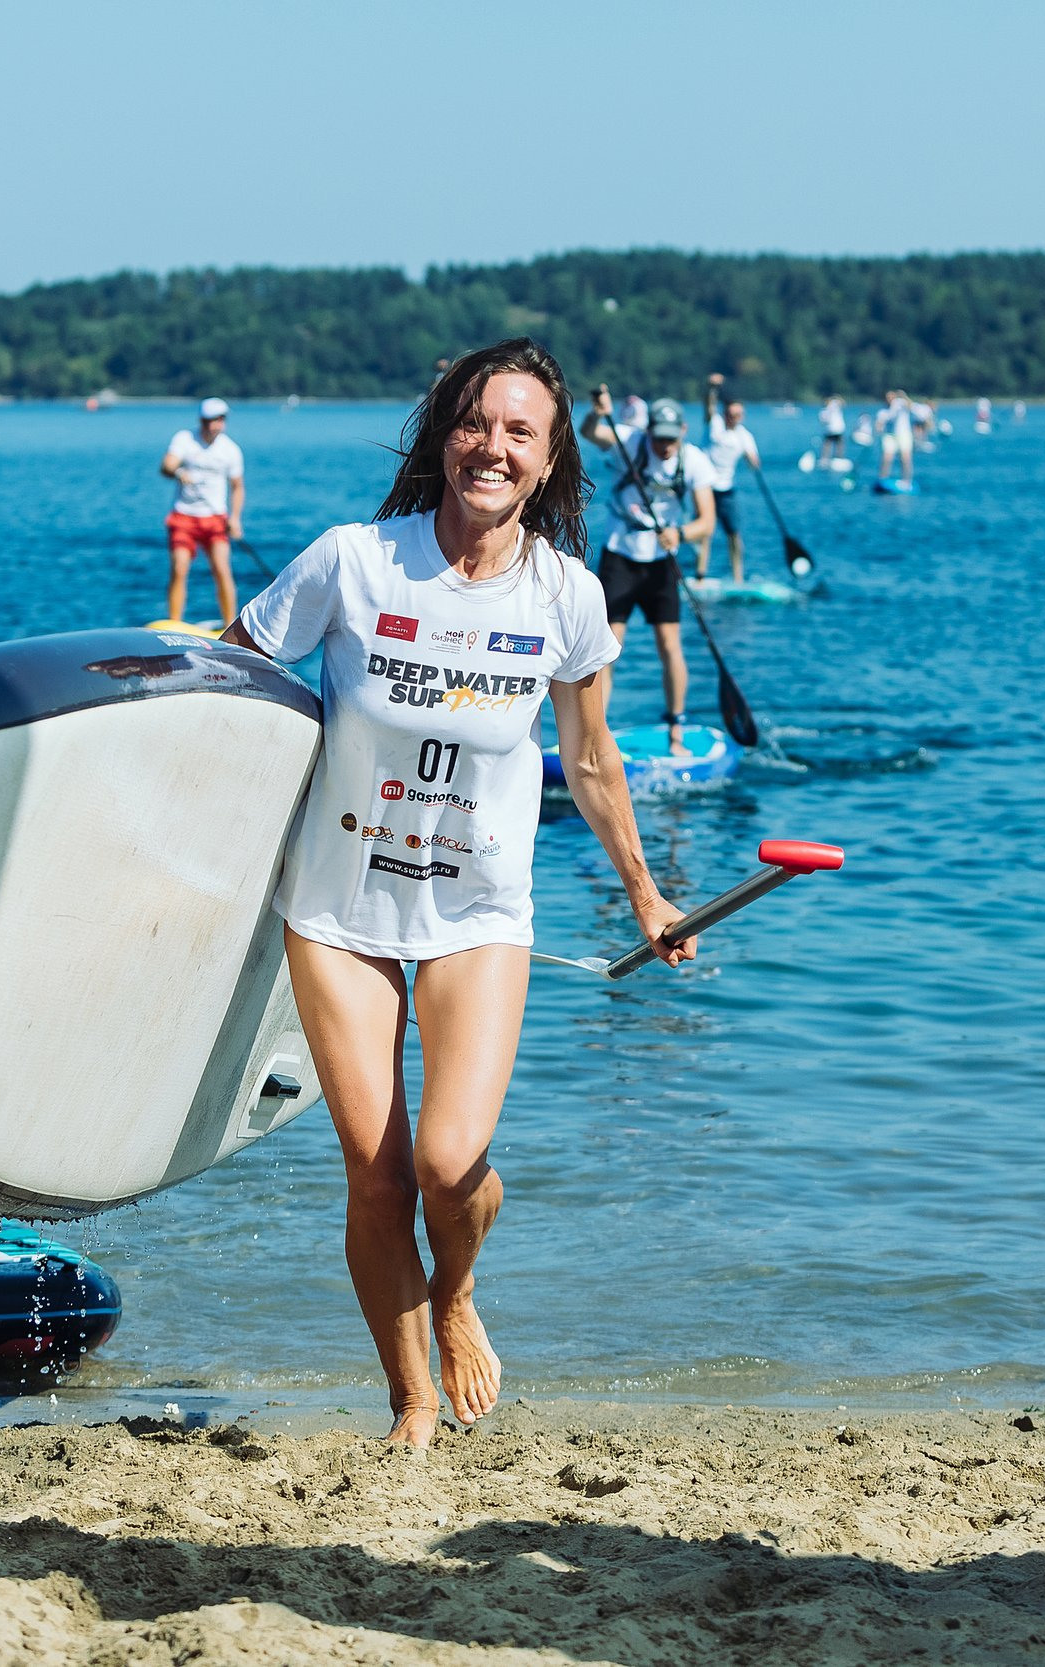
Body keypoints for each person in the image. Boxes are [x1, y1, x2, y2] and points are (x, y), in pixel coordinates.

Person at [218, 339, 694, 1446]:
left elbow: (588, 759)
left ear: (547, 459)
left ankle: (460, 1289)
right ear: (444, 435)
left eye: (518, 431)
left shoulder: (568, 596)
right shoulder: (354, 560)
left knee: (445, 1164)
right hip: (337, 910)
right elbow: (233, 681)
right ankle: (411, 1401)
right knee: (378, 1178)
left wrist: (645, 895)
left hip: (478, 911)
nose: (492, 445)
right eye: (475, 422)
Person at [579, 390, 714, 756]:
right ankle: (594, 738)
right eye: (659, 438)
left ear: (683, 431)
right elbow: (590, 431)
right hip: (620, 556)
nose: (664, 446)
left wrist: (681, 534)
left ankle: (676, 732)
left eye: (672, 438)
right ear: (648, 431)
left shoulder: (695, 460)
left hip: (661, 562)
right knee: (606, 650)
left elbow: (707, 520)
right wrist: (597, 413)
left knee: (670, 646)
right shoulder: (630, 441)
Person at [159, 397, 245, 625]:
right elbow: (166, 465)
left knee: (221, 568)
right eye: (208, 421)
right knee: (179, 568)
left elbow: (237, 488)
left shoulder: (230, 450)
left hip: (215, 518)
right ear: (201, 421)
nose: (213, 426)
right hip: (184, 516)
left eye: (218, 420)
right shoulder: (184, 439)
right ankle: (174, 623)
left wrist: (235, 519)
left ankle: (230, 625)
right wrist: (178, 472)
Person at [699, 375, 761, 582]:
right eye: (731, 414)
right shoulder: (714, 424)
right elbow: (709, 406)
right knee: (705, 532)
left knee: (734, 534)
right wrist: (712, 389)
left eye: (738, 414)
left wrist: (752, 461)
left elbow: (755, 463)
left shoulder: (745, 437)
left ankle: (738, 577)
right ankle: (701, 575)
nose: (735, 418)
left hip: (727, 490)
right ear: (725, 414)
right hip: (705, 487)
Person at [875, 388, 917, 484]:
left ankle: (906, 480)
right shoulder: (883, 411)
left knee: (905, 458)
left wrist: (904, 396)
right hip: (889, 436)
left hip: (904, 434)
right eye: (887, 397)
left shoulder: (901, 404)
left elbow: (911, 407)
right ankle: (883, 479)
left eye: (891, 397)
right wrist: (878, 428)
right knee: (887, 458)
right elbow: (879, 423)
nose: (889, 399)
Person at [819, 395, 848, 463]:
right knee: (836, 446)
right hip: (833, 430)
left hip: (834, 430)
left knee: (831, 446)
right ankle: (837, 459)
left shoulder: (830, 408)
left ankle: (827, 459)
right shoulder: (827, 410)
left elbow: (843, 404)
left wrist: (836, 397)